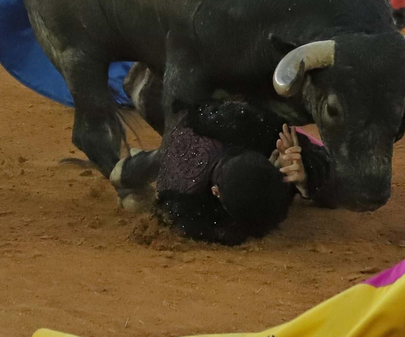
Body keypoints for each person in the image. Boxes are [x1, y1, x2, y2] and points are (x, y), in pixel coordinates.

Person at [109, 97, 338, 245]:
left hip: (204, 110)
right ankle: (134, 167)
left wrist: (304, 170)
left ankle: (134, 166)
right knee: (139, 200)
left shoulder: (252, 124)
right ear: (216, 192)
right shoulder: (181, 200)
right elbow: (225, 232)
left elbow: (319, 157)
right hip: (181, 130)